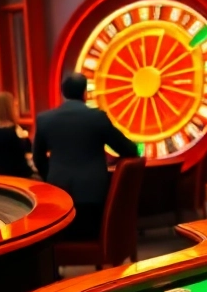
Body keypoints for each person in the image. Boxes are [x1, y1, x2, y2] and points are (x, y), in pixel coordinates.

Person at [33, 72, 138, 240]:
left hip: (59, 200)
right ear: (85, 93)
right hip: (94, 198)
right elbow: (129, 150)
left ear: (63, 93)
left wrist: (53, 177)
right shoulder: (97, 117)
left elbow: (38, 158)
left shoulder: (45, 119)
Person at [0, 92, 33, 178]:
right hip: (19, 178)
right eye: (15, 106)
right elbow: (24, 153)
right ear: (10, 109)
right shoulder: (12, 131)